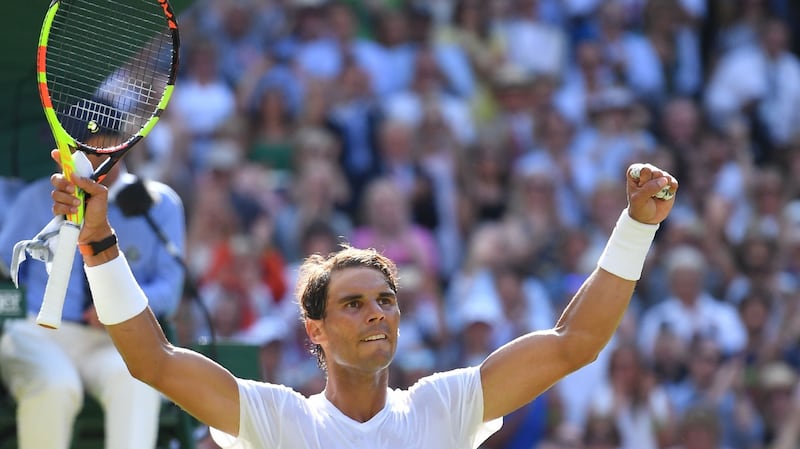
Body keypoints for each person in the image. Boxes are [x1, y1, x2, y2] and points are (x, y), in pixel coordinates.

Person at [49, 154, 677, 448]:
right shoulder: (279, 420)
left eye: (385, 299)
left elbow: (576, 345)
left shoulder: (445, 406)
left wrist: (636, 228)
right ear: (313, 331)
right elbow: (152, 362)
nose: (377, 312)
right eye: (352, 304)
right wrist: (99, 240)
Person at [0, 108, 186, 449]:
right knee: (55, 385)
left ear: (120, 145)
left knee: (137, 384)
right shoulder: (35, 197)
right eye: (82, 148)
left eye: (103, 145)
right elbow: (5, 270)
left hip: (118, 339)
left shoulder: (159, 204)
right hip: (39, 332)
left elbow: (170, 289)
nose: (95, 155)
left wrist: (122, 307)